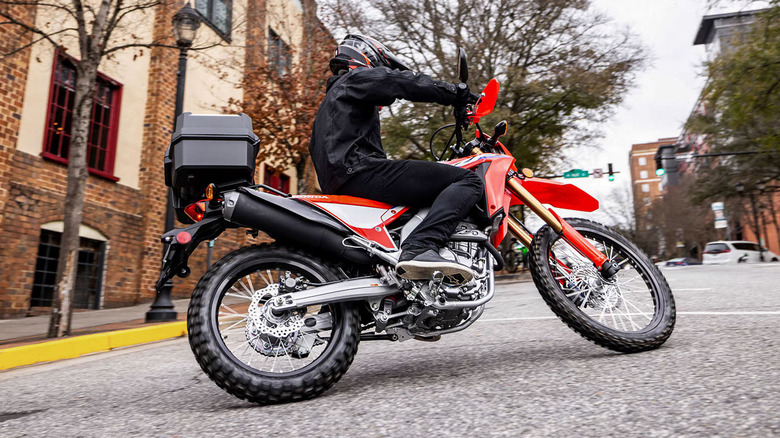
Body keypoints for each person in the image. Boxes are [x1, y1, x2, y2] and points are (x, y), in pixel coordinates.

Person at [309, 34, 484, 283]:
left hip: (344, 178)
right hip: (359, 172)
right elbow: (399, 81)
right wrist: (456, 94)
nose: (383, 72)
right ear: (367, 59)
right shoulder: (355, 78)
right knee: (467, 181)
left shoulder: (334, 100)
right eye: (381, 67)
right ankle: (420, 247)